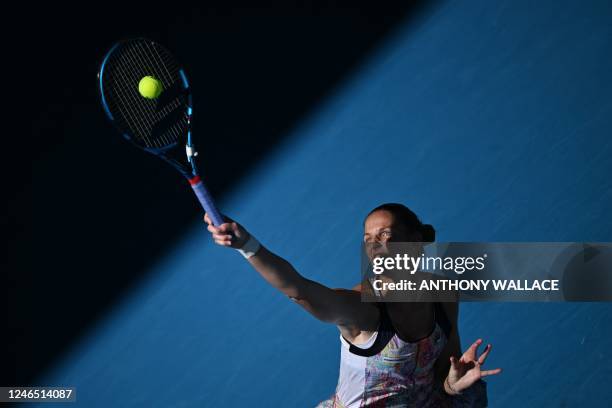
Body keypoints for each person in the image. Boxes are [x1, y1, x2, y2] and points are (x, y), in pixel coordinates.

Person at [204, 203, 501, 407]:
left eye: (385, 235)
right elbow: (299, 289)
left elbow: (445, 371)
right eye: (368, 238)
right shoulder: (363, 311)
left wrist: (452, 384)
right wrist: (247, 246)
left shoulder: (443, 292)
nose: (374, 245)